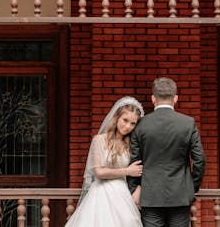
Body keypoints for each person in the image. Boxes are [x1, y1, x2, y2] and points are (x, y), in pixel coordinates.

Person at [128, 77, 206, 227]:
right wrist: (192, 185)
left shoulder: (141, 124)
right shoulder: (188, 123)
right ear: (175, 98)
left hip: (150, 195)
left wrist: (134, 189)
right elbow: (199, 159)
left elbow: (134, 160)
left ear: (153, 99)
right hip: (180, 193)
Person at [65, 96, 145, 227]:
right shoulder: (99, 140)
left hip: (123, 194)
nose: (127, 126)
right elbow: (99, 172)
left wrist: (139, 189)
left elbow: (142, 168)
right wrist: (127, 171)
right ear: (116, 117)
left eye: (133, 123)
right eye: (125, 120)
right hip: (101, 193)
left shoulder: (132, 143)